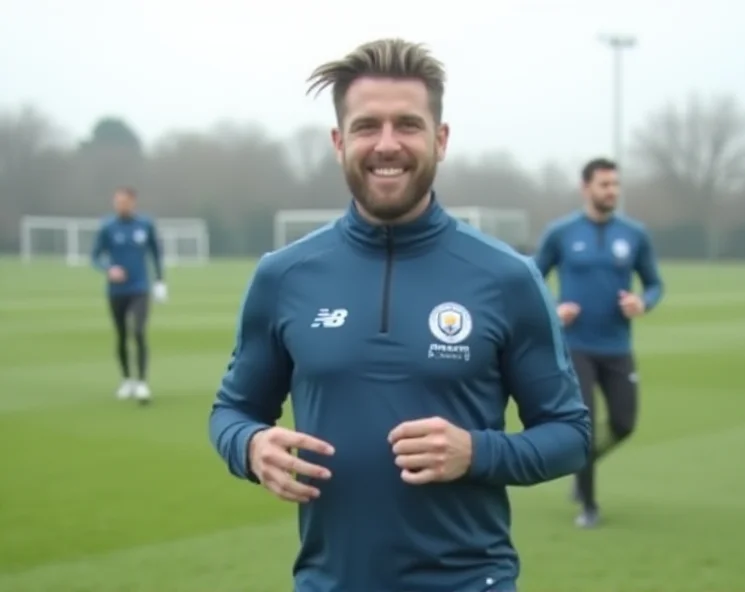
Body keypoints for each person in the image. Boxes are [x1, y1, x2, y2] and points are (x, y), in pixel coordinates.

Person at [208, 38, 590, 592]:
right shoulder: (284, 276)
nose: (387, 144)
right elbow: (232, 411)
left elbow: (570, 434)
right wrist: (248, 447)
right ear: (339, 142)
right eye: (367, 126)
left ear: (441, 138)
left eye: (407, 125)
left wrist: (477, 452)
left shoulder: (507, 277)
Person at [534, 158, 665, 529]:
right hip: (575, 346)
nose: (612, 191)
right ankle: (589, 507)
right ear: (586, 187)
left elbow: (655, 282)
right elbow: (530, 278)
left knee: (624, 423)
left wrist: (644, 302)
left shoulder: (634, 234)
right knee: (586, 427)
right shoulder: (561, 232)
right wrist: (554, 308)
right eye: (605, 185)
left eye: (615, 185)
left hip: (618, 345)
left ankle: (581, 466)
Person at [90, 187, 167, 403]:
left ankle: (142, 382)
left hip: (140, 287)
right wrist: (109, 268)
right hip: (116, 291)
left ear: (133, 202)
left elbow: (156, 254)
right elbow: (95, 256)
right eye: (117, 201)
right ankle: (126, 379)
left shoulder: (145, 225)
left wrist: (160, 281)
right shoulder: (108, 227)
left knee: (139, 330)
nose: (120, 205)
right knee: (121, 334)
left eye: (124, 201)